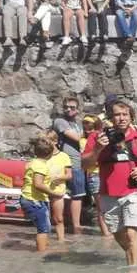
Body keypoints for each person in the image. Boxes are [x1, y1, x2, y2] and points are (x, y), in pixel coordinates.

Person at [82, 100, 137, 268]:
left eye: (125, 115)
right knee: (119, 236)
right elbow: (85, 164)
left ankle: (134, 272)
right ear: (110, 117)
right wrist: (97, 149)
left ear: (131, 117)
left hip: (133, 192)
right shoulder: (97, 137)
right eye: (117, 115)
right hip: (108, 194)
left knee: (132, 234)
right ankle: (135, 259)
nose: (122, 118)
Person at [52, 97, 86, 233]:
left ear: (78, 109)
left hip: (80, 162)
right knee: (73, 194)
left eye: (72, 107)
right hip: (69, 163)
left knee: (77, 194)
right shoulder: (60, 121)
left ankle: (72, 225)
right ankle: (75, 226)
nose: (68, 109)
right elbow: (77, 138)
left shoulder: (78, 123)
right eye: (66, 107)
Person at [20, 136, 59, 252]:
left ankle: (44, 248)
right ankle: (41, 254)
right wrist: (53, 193)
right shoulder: (41, 166)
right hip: (34, 200)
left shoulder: (33, 162)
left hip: (31, 199)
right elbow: (38, 184)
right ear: (50, 154)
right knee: (43, 229)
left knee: (45, 226)